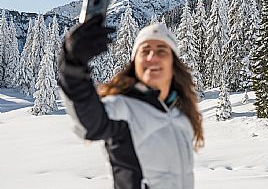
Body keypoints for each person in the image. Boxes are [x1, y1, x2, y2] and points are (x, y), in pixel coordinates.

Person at [58, 15, 204, 189]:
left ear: (173, 63)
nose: (152, 57)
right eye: (145, 50)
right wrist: (73, 67)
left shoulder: (181, 115)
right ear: (135, 63)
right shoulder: (123, 108)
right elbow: (90, 123)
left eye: (161, 51)